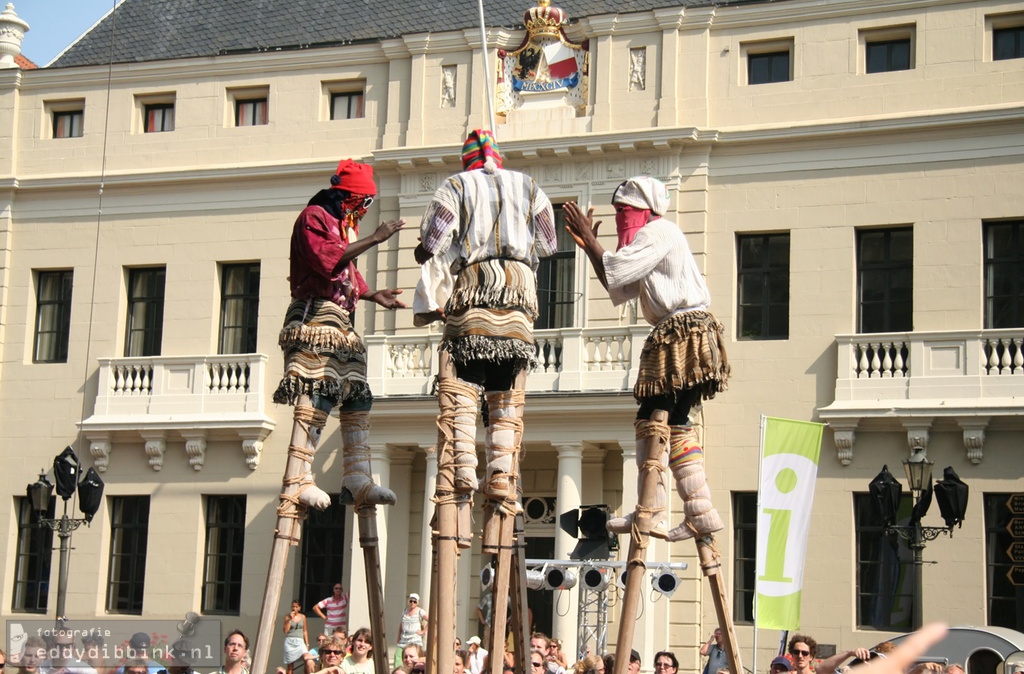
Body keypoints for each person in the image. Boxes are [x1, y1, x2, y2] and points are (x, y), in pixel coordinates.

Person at [564, 177, 730, 542]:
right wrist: (591, 246)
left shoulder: (658, 231)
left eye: (623, 211)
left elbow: (616, 271)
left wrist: (590, 239)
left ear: (645, 210)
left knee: (652, 419)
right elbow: (618, 285)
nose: (621, 218)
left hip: (682, 332)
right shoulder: (652, 237)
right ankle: (701, 511)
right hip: (686, 331)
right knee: (677, 424)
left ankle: (649, 509)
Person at [414, 129, 556, 515]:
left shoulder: (456, 185)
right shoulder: (528, 185)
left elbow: (432, 244)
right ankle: (498, 471)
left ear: (467, 160)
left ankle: (462, 468)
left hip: (477, 286)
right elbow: (549, 244)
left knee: (463, 375)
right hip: (519, 292)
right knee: (504, 385)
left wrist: (421, 248)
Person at [273, 159, 406, 513]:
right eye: (364, 201)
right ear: (349, 196)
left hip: (342, 323)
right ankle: (299, 475)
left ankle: (356, 475)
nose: (365, 209)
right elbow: (326, 260)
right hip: (315, 317)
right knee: (319, 392)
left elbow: (345, 272)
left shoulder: (340, 223)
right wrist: (375, 238)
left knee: (357, 396)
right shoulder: (314, 217)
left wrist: (372, 294)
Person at [395, 594, 428, 668]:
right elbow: (401, 624)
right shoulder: (405, 611)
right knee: (398, 655)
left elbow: (430, 620)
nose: (412, 603)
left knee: (413, 657)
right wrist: (398, 637)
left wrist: (423, 631)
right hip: (404, 638)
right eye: (411, 601)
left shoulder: (420, 611)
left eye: (414, 601)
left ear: (417, 602)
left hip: (414, 639)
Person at [283, 600, 310, 674]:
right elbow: (285, 631)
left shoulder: (303, 617)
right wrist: (290, 620)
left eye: (296, 607)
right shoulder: (287, 617)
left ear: (299, 608)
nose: (294, 608)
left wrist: (307, 643)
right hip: (290, 641)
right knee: (290, 665)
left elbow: (305, 631)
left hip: (300, 641)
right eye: (293, 607)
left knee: (307, 659)